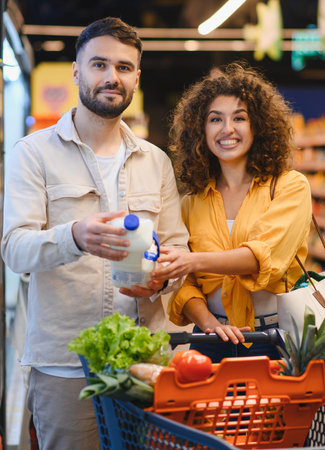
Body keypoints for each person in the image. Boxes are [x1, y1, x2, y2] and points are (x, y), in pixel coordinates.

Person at [1, 16, 188, 450]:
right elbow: (14, 249)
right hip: (66, 366)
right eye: (99, 64)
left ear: (137, 77)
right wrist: (74, 237)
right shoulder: (33, 154)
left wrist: (165, 275)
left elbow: (178, 248)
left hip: (145, 364)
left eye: (124, 68)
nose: (111, 77)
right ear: (76, 70)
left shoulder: (155, 161)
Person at [152, 62, 312, 362]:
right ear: (202, 130)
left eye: (239, 118)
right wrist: (210, 324)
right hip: (209, 339)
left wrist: (188, 260)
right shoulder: (192, 202)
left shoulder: (290, 187)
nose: (227, 129)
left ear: (259, 126)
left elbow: (260, 258)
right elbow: (186, 286)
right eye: (215, 119)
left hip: (274, 338)